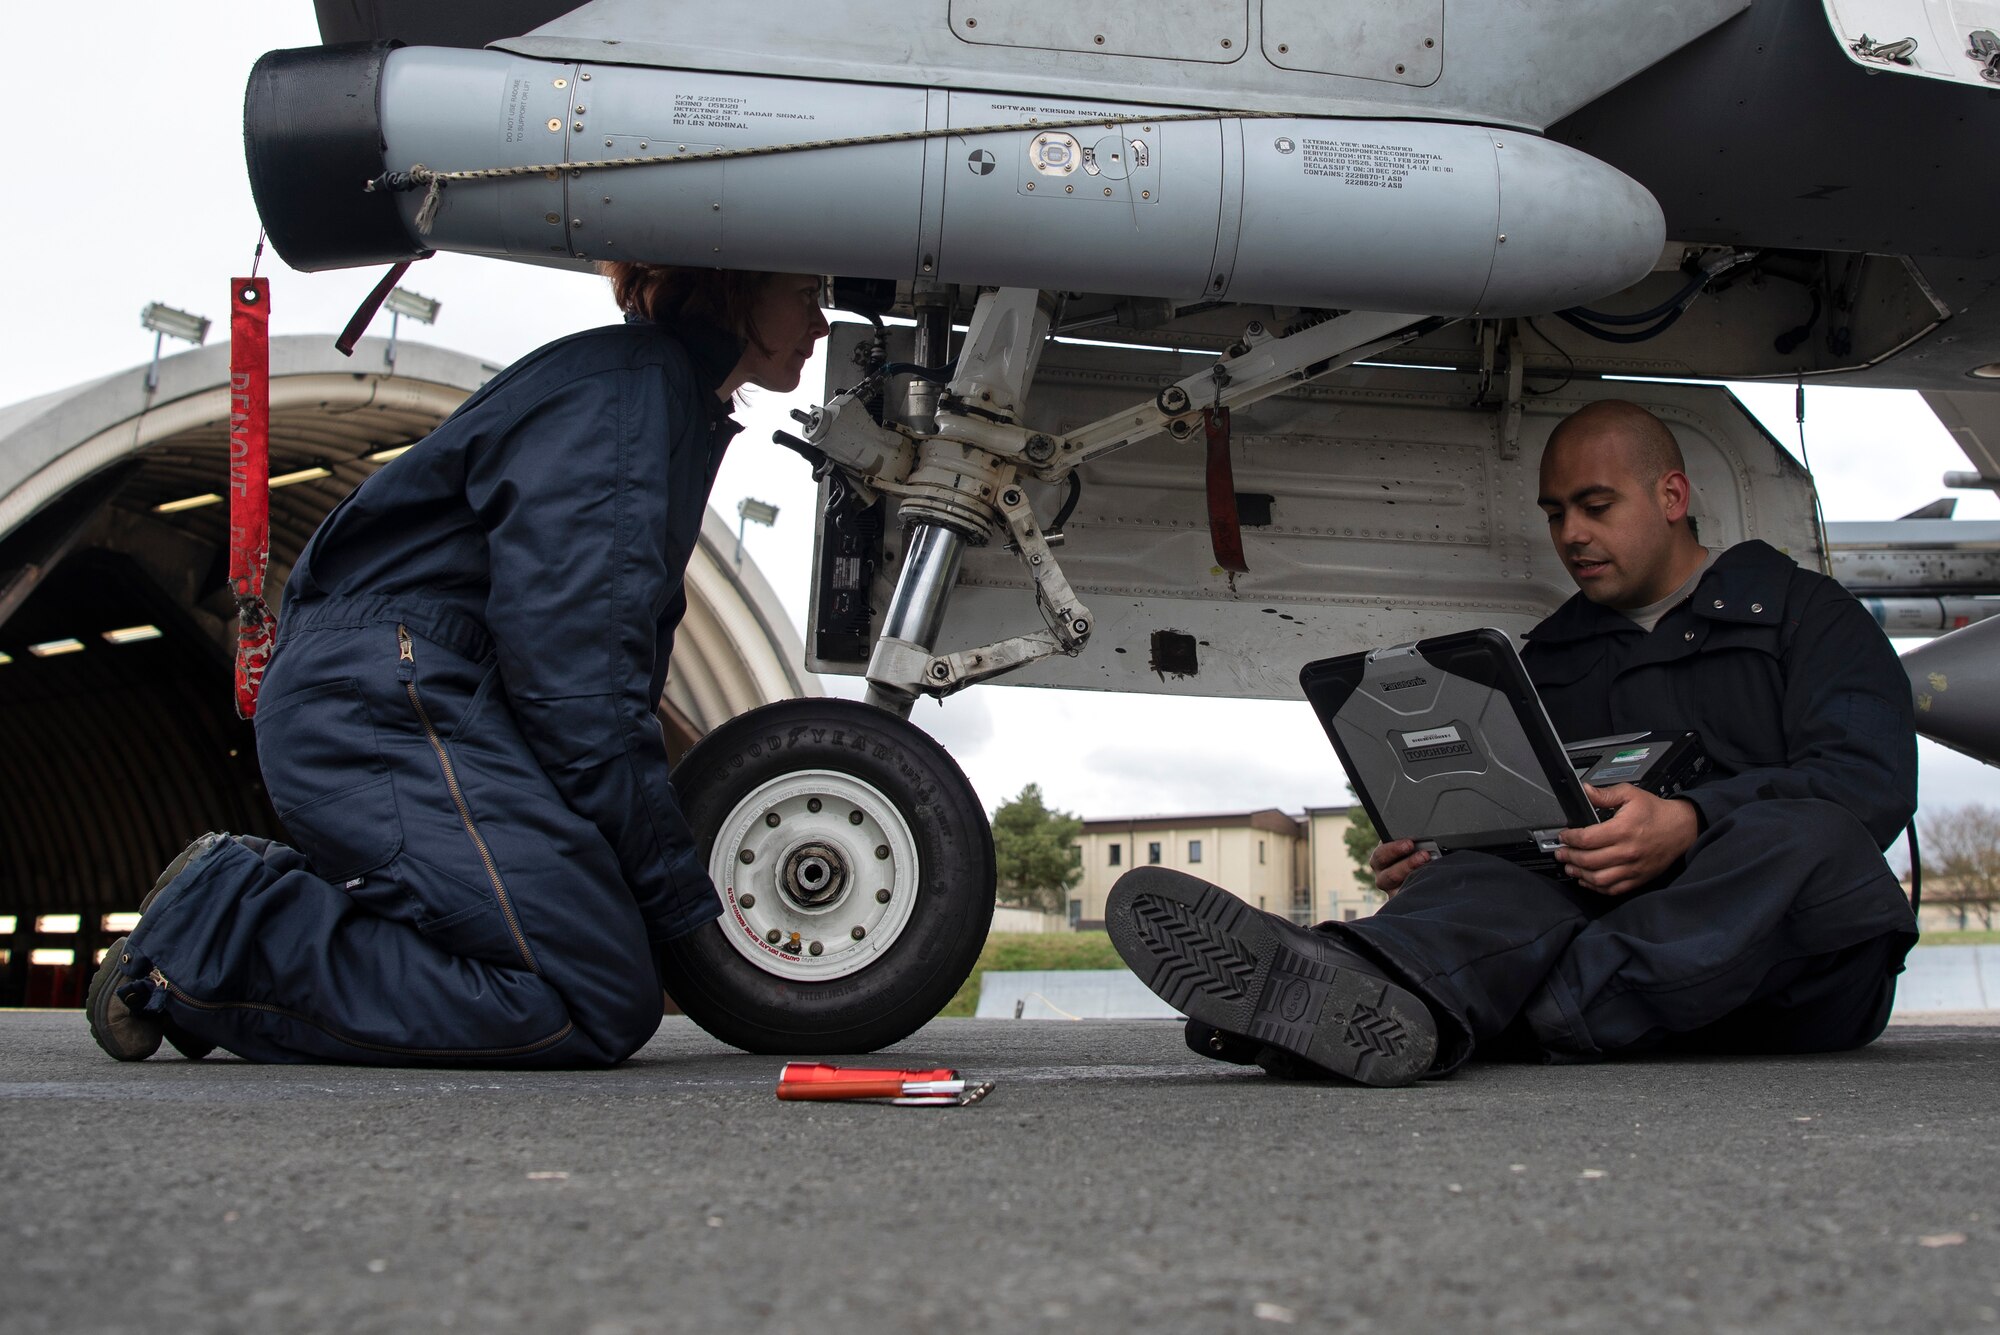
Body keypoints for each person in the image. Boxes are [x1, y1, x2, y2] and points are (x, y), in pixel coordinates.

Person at [85, 265, 830, 1066]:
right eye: (808, 295)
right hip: (385, 696)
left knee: (600, 957)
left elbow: (595, 665)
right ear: (733, 286)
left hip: (411, 692)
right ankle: (224, 925)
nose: (822, 326)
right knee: (594, 990)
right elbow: (577, 667)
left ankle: (248, 902)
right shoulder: (629, 394)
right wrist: (676, 894)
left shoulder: (661, 394)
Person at [1108, 399, 1920, 1086]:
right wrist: (1439, 856)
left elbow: (1868, 786)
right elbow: (1530, 836)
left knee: (1810, 838)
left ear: (1672, 495)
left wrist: (1690, 822)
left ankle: (1439, 1006)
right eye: (1556, 512)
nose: (1571, 533)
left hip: (1789, 967)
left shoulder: (1805, 615)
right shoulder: (1548, 661)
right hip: (1616, 948)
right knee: (1498, 875)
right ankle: (1361, 977)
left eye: (1596, 506)